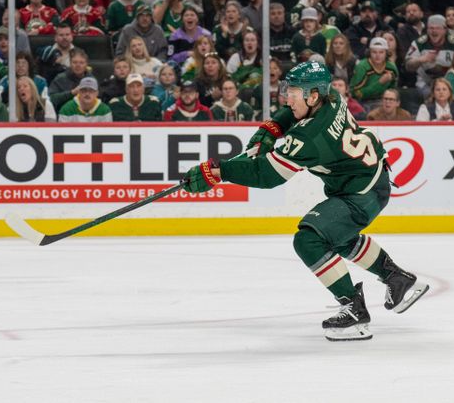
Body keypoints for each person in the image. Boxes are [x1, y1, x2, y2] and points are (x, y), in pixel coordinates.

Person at [183, 61, 429, 341]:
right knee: (337, 236)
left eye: (294, 92)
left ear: (313, 96)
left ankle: (354, 310)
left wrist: (218, 172)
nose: (287, 97)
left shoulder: (310, 137)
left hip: (362, 193)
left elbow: (267, 175)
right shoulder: (332, 96)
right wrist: (273, 127)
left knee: (309, 239)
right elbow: (292, 114)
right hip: (368, 182)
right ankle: (398, 279)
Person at [405, 14, 454, 97]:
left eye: (438, 28)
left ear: (445, 30)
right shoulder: (419, 44)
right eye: (431, 28)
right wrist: (421, 59)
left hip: (452, 83)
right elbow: (408, 66)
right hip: (426, 84)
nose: (434, 31)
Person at [350, 37, 399, 111]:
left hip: (383, 101)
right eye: (374, 52)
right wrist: (379, 83)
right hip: (362, 102)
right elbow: (356, 93)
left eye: (381, 52)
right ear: (369, 53)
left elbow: (393, 89)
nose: (377, 55)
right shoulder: (362, 66)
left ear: (386, 53)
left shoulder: (391, 68)